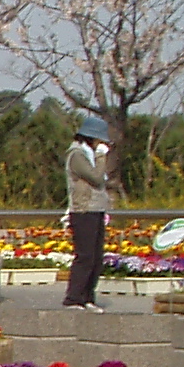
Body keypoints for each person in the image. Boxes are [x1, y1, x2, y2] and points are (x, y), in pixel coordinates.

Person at [62, 114, 121, 311]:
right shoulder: (77, 155)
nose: (102, 144)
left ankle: (88, 296)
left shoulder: (88, 154)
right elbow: (96, 178)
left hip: (96, 210)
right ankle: (73, 298)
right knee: (85, 256)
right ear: (90, 138)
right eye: (99, 140)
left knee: (96, 257)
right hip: (83, 211)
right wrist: (101, 156)